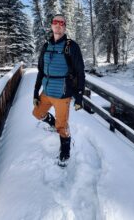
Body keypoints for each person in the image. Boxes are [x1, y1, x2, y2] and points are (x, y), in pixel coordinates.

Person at [32, 14, 85, 167]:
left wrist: (79, 96)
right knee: (37, 113)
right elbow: (41, 70)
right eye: (55, 22)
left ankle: (65, 150)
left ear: (65, 26)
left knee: (62, 126)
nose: (58, 25)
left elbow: (80, 72)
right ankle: (53, 124)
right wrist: (36, 91)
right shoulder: (46, 46)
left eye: (62, 23)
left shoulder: (71, 46)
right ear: (51, 25)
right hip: (47, 91)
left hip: (63, 93)